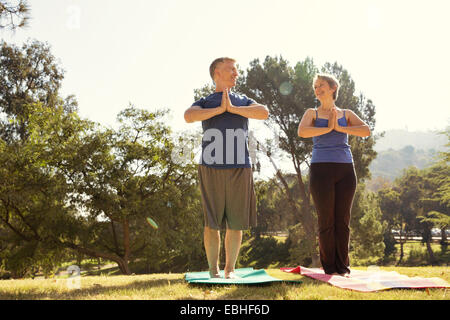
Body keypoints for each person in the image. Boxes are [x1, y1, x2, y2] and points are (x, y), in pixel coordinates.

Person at [184, 57, 269, 279]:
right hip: (210, 166)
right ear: (217, 73)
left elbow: (263, 112)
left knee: (236, 222)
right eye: (231, 69)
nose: (236, 73)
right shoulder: (205, 100)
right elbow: (188, 116)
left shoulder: (242, 99)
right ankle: (213, 269)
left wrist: (232, 108)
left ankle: (230, 269)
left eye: (236, 70)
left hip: (240, 165)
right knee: (211, 222)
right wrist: (220, 110)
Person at [297, 73, 370, 276]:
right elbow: (302, 132)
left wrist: (339, 126)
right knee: (326, 220)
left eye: (321, 85)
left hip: (346, 169)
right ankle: (329, 267)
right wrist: (328, 127)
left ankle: (343, 267)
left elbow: (365, 131)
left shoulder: (346, 113)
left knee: (342, 221)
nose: (317, 89)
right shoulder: (312, 113)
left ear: (333, 87)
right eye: (315, 86)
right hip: (321, 169)